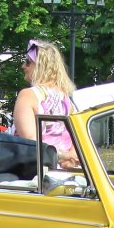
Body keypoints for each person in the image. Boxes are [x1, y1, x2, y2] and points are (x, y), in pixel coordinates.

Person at [12, 38, 79, 169]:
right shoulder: (67, 100)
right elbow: (77, 143)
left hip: (36, 173)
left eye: (28, 62)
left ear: (41, 66)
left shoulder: (28, 95)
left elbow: (30, 145)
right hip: (64, 172)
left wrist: (62, 156)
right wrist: (69, 157)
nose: (23, 66)